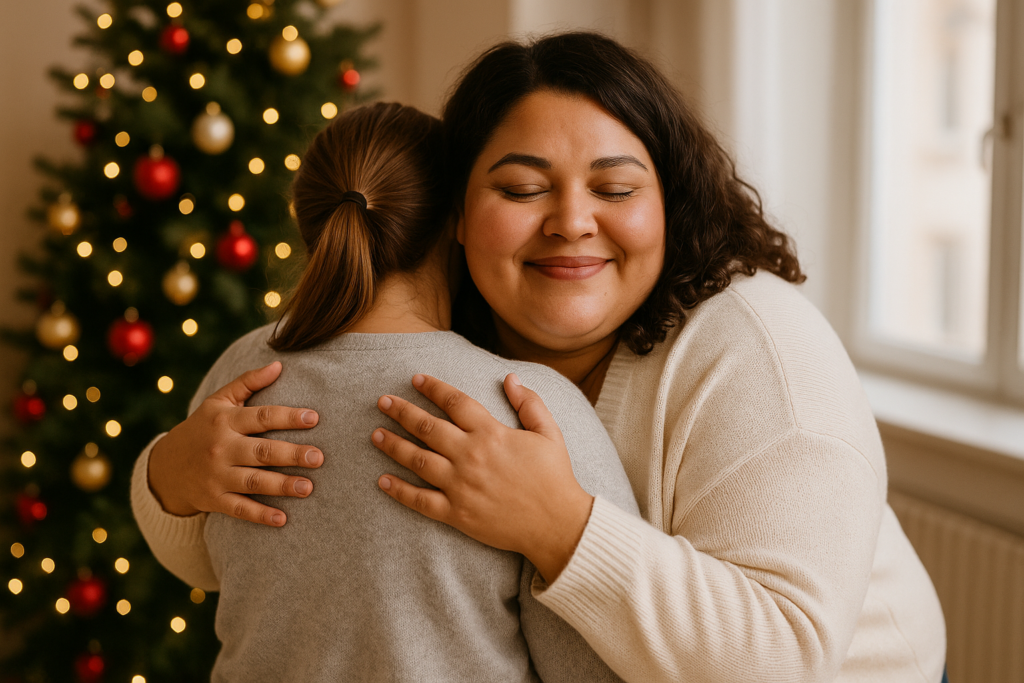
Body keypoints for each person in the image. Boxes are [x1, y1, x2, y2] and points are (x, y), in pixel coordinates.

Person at [134, 33, 947, 683]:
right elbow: (227, 552)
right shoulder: (451, 349)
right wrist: (173, 474)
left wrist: (562, 526)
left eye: (616, 190)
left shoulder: (757, 347)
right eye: (522, 190)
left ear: (672, 202)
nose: (570, 221)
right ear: (452, 215)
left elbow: (788, 659)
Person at [131, 101, 639, 683]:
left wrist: (162, 469)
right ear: (456, 216)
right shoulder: (532, 407)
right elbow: (593, 665)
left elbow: (201, 563)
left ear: (307, 220)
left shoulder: (242, 369)